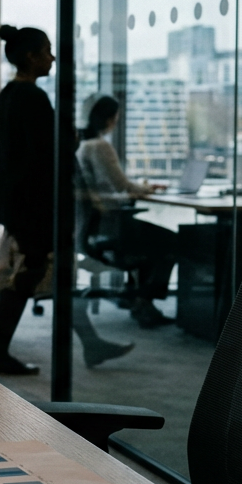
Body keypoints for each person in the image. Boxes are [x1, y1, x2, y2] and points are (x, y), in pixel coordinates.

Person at [0, 25, 55, 375]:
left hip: (12, 199)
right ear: (30, 56)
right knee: (28, 272)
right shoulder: (35, 98)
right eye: (47, 51)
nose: (52, 58)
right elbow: (48, 154)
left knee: (20, 273)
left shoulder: (6, 95)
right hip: (34, 202)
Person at [77, 94, 177, 329]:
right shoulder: (100, 146)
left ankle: (137, 298)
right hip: (111, 224)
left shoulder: (83, 145)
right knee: (172, 243)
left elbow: (108, 187)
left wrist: (138, 189)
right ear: (110, 118)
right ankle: (144, 300)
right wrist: (147, 189)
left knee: (156, 243)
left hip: (93, 225)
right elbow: (122, 186)